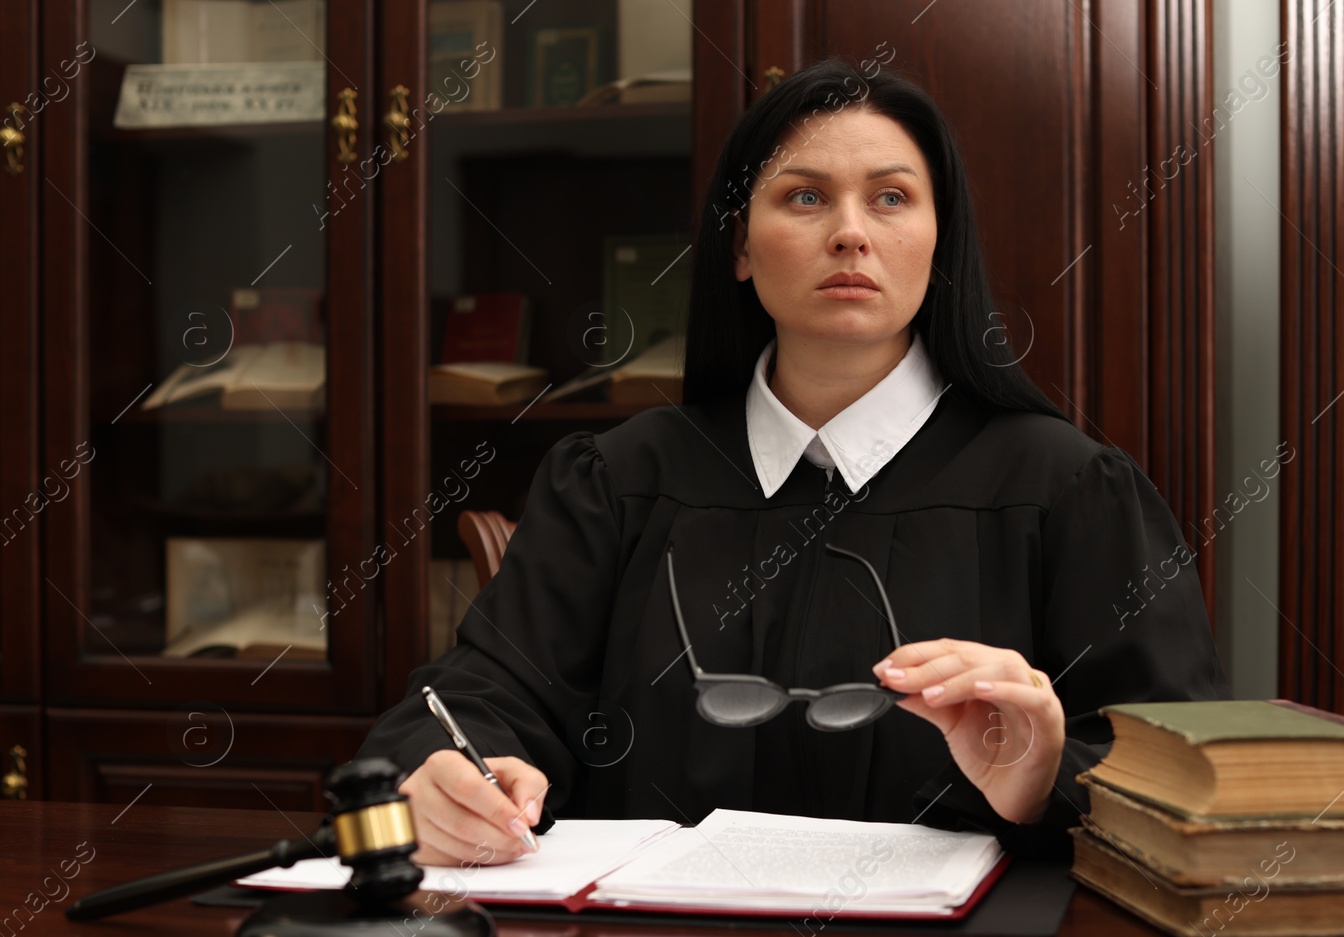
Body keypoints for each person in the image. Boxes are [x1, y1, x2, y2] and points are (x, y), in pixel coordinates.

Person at [356, 56, 1229, 866]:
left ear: (939, 241)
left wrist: (1046, 782)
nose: (851, 233)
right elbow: (479, 699)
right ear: (738, 246)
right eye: (805, 198)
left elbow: (1187, 780)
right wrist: (446, 776)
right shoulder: (617, 481)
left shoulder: (1067, 489)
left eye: (891, 198)